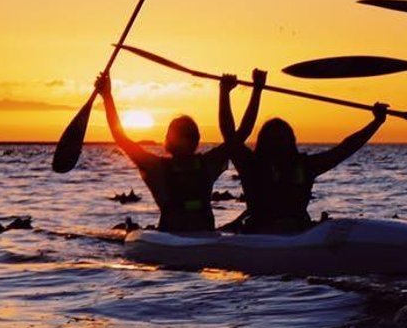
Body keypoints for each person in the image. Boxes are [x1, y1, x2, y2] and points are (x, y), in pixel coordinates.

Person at [219, 68, 388, 234]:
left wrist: (376, 123)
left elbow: (344, 149)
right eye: (272, 141)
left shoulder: (305, 166)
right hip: (260, 235)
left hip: (297, 234)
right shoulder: (251, 165)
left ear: (291, 143)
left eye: (281, 141)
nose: (277, 146)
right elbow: (229, 134)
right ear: (263, 144)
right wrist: (230, 92)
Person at [96, 70, 231, 233]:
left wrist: (225, 92)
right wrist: (107, 97)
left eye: (188, 136)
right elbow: (122, 139)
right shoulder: (156, 167)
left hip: (204, 240)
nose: (186, 141)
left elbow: (236, 139)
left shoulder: (208, 163)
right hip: (171, 242)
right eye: (183, 135)